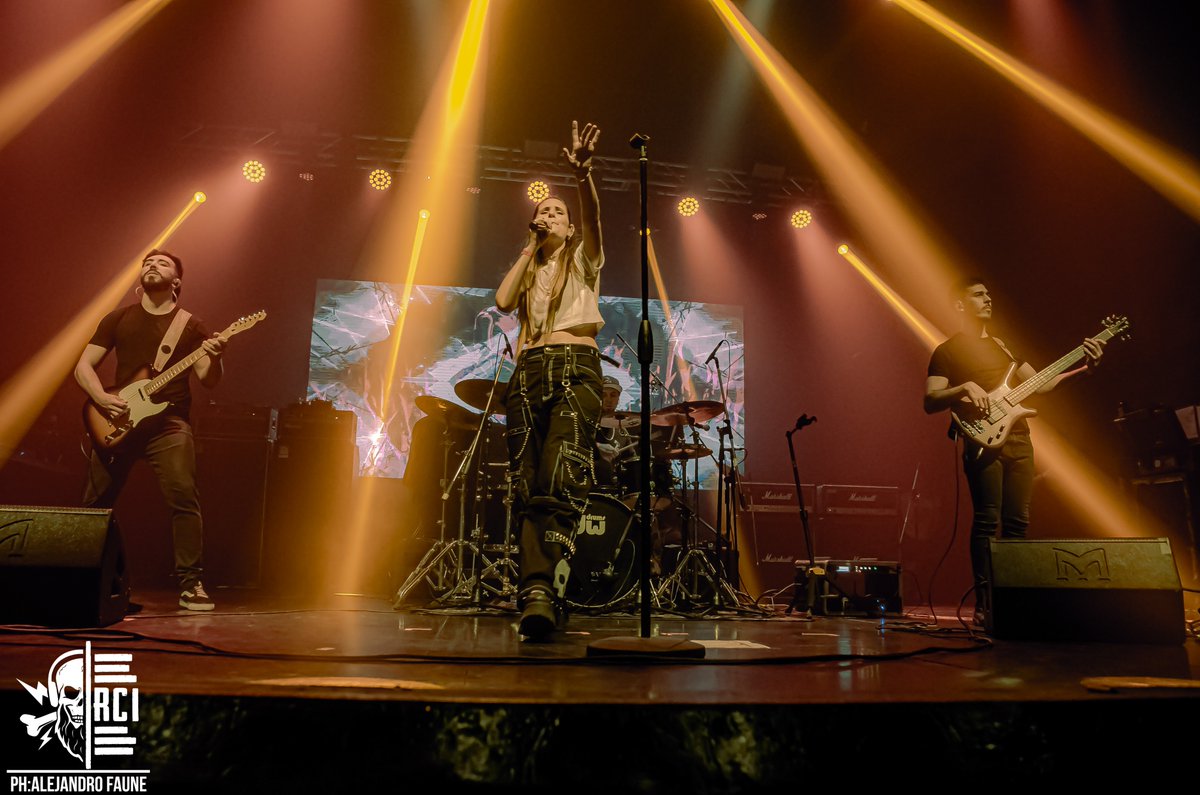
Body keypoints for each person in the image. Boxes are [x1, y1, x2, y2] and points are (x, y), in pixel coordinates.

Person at [923, 278, 1104, 620]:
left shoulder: (1003, 347)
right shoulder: (947, 351)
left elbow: (1043, 383)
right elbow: (930, 400)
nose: (988, 298)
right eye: (978, 295)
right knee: (987, 521)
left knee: (1018, 522)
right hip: (982, 439)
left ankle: (1014, 600)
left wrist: (1085, 366)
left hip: (1019, 438)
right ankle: (984, 603)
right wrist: (964, 387)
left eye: (989, 293)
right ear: (960, 305)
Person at [495, 121, 604, 639]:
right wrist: (526, 249)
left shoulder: (583, 261)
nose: (549, 215)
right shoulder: (531, 265)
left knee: (559, 478)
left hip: (574, 367)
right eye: (542, 212)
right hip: (529, 371)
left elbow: (596, 220)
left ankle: (544, 588)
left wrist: (582, 178)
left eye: (557, 212)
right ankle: (536, 591)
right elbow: (501, 301)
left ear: (570, 225)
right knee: (527, 484)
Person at [74, 249, 228, 611]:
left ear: (177, 282)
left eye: (161, 263)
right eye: (147, 263)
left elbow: (208, 379)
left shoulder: (191, 326)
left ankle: (191, 584)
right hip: (119, 419)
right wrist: (101, 397)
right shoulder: (118, 318)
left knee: (184, 498)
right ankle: (84, 578)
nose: (151, 266)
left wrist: (217, 355)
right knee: (93, 506)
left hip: (170, 423)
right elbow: (83, 365)